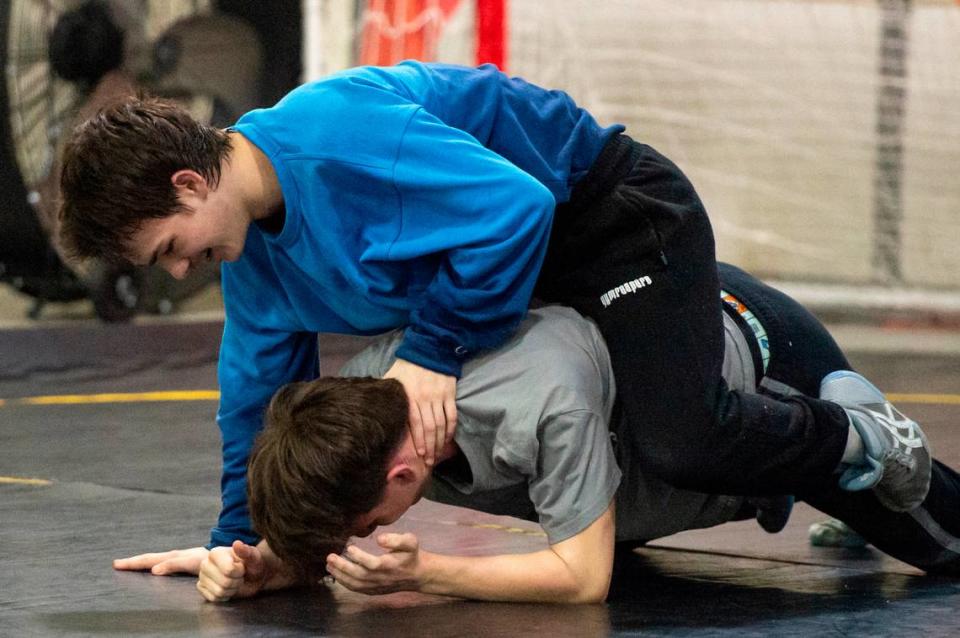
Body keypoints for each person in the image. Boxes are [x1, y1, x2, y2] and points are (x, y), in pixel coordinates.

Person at [59, 61, 929, 555]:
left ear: (189, 181)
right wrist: (239, 540)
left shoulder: (335, 132)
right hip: (525, 278)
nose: (181, 270)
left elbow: (514, 208)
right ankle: (816, 467)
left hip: (609, 221)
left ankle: (854, 439)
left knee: (682, 436)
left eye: (170, 247)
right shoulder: (251, 259)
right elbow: (256, 399)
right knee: (624, 483)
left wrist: (432, 351)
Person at [115, 264, 959, 602]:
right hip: (649, 426)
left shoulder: (535, 400)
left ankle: (858, 435)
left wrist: (431, 570)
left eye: (371, 525)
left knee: (941, 540)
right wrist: (261, 557)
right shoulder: (372, 391)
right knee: (619, 497)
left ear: (406, 469)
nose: (370, 541)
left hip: (764, 362)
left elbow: (583, 579)